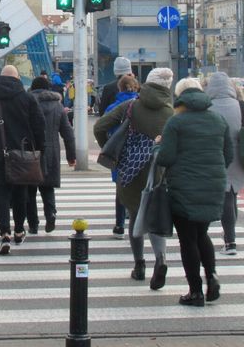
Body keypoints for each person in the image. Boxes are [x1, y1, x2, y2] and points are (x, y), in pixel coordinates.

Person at [94, 68, 174, 290]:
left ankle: (139, 265)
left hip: (130, 168)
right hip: (159, 169)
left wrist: (111, 150)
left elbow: (100, 126)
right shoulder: (171, 113)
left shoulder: (130, 106)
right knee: (156, 215)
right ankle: (161, 259)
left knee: (135, 213)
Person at [156, 77, 232, 306]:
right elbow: (228, 155)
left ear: (180, 96)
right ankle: (212, 275)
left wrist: (158, 145)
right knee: (202, 233)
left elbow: (165, 157)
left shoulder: (176, 122)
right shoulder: (218, 119)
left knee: (188, 238)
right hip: (213, 185)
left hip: (184, 187)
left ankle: (195, 291)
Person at [0, 65, 46, 255]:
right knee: (20, 191)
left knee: (1, 192)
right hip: (22, 153)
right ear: (17, 78)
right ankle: (19, 230)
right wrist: (40, 150)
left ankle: (5, 233)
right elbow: (39, 127)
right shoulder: (27, 98)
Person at [206, 72, 244, 256]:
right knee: (232, 194)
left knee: (225, 195)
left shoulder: (208, 107)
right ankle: (230, 238)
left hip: (215, 155)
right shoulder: (241, 106)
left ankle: (230, 241)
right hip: (239, 156)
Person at [26, 76, 75, 234]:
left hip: (30, 151)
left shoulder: (27, 103)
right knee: (47, 187)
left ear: (32, 88)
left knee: (30, 189)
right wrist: (71, 156)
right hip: (51, 151)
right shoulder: (57, 106)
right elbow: (68, 133)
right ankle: (51, 214)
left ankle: (33, 224)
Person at [103, 74, 141, 239]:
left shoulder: (113, 107)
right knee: (139, 188)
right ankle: (138, 223)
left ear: (119, 88)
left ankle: (119, 225)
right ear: (136, 87)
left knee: (120, 188)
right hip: (139, 152)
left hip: (119, 152)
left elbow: (101, 127)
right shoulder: (142, 105)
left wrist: (107, 145)